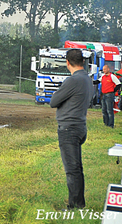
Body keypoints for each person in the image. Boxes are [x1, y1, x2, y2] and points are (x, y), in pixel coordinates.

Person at [50, 49, 93, 210]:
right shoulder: (87, 79)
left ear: (67, 62)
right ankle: (78, 203)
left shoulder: (72, 80)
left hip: (69, 128)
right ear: (82, 61)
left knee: (72, 170)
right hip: (80, 126)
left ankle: (75, 206)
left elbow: (54, 101)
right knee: (77, 168)